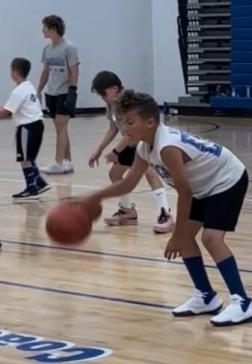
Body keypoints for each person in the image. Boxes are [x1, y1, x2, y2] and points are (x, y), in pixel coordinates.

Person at [80, 90, 252, 325]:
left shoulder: (167, 147)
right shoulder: (145, 148)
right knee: (185, 238)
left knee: (211, 238)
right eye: (122, 122)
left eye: (130, 122)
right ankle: (206, 296)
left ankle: (243, 302)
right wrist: (91, 197)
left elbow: (185, 192)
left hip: (226, 179)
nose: (125, 128)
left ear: (150, 122)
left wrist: (177, 234)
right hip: (202, 186)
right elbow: (129, 182)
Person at [88, 70, 174, 232]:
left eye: (103, 94)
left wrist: (116, 151)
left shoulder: (129, 104)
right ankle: (128, 212)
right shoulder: (112, 105)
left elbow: (129, 133)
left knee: (150, 174)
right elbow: (113, 128)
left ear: (114, 88)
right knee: (115, 174)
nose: (102, 98)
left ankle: (165, 214)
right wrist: (98, 149)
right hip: (132, 144)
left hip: (146, 141)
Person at [1, 57, 50, 200]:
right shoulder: (29, 86)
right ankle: (39, 182)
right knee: (30, 158)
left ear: (15, 71)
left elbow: (5, 112)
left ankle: (31, 188)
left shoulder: (18, 91)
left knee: (25, 159)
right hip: (37, 125)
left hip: (27, 127)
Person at [37, 14, 80, 175]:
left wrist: (72, 91)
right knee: (60, 129)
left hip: (64, 92)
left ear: (54, 28)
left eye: (45, 27)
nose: (42, 30)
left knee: (61, 127)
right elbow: (45, 71)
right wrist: (39, 89)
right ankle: (68, 162)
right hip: (52, 93)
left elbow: (74, 71)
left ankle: (58, 162)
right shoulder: (47, 49)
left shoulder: (69, 48)